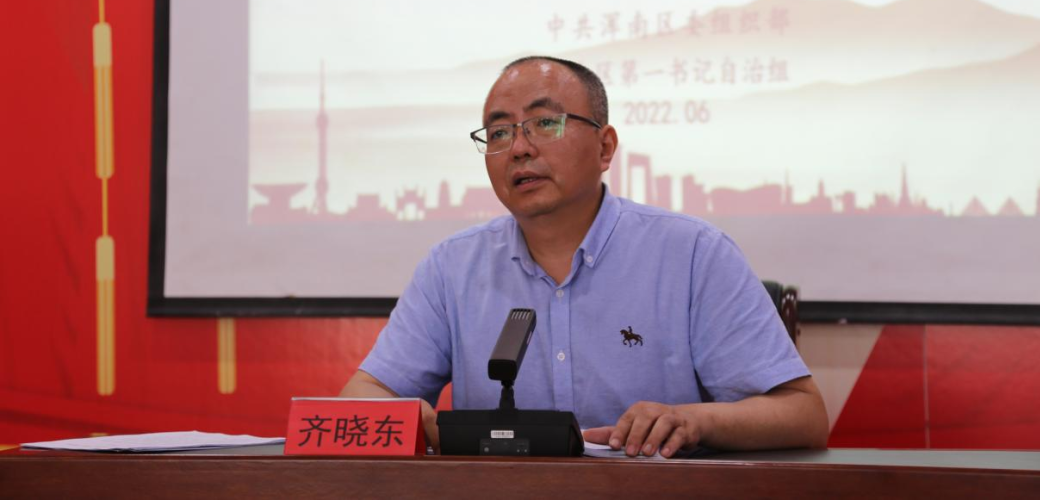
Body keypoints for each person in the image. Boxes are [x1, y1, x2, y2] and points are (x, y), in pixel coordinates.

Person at [341, 56, 828, 456]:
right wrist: (403, 416)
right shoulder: (452, 267)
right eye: (499, 133)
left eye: (544, 123)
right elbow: (363, 397)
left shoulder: (693, 254)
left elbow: (802, 415)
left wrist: (692, 420)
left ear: (605, 146)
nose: (518, 149)